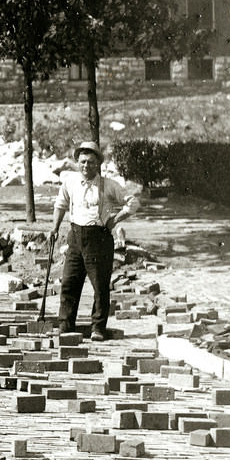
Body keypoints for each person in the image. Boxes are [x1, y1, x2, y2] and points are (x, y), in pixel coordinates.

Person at [50, 140, 139, 341]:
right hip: (75, 237)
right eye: (82, 162)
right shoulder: (70, 182)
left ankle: (98, 328)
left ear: (97, 164)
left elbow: (133, 202)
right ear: (77, 162)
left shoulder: (108, 185)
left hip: (99, 239)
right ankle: (65, 325)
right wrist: (54, 228)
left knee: (99, 286)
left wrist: (115, 219)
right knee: (69, 283)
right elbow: (60, 204)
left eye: (90, 162)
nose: (86, 166)